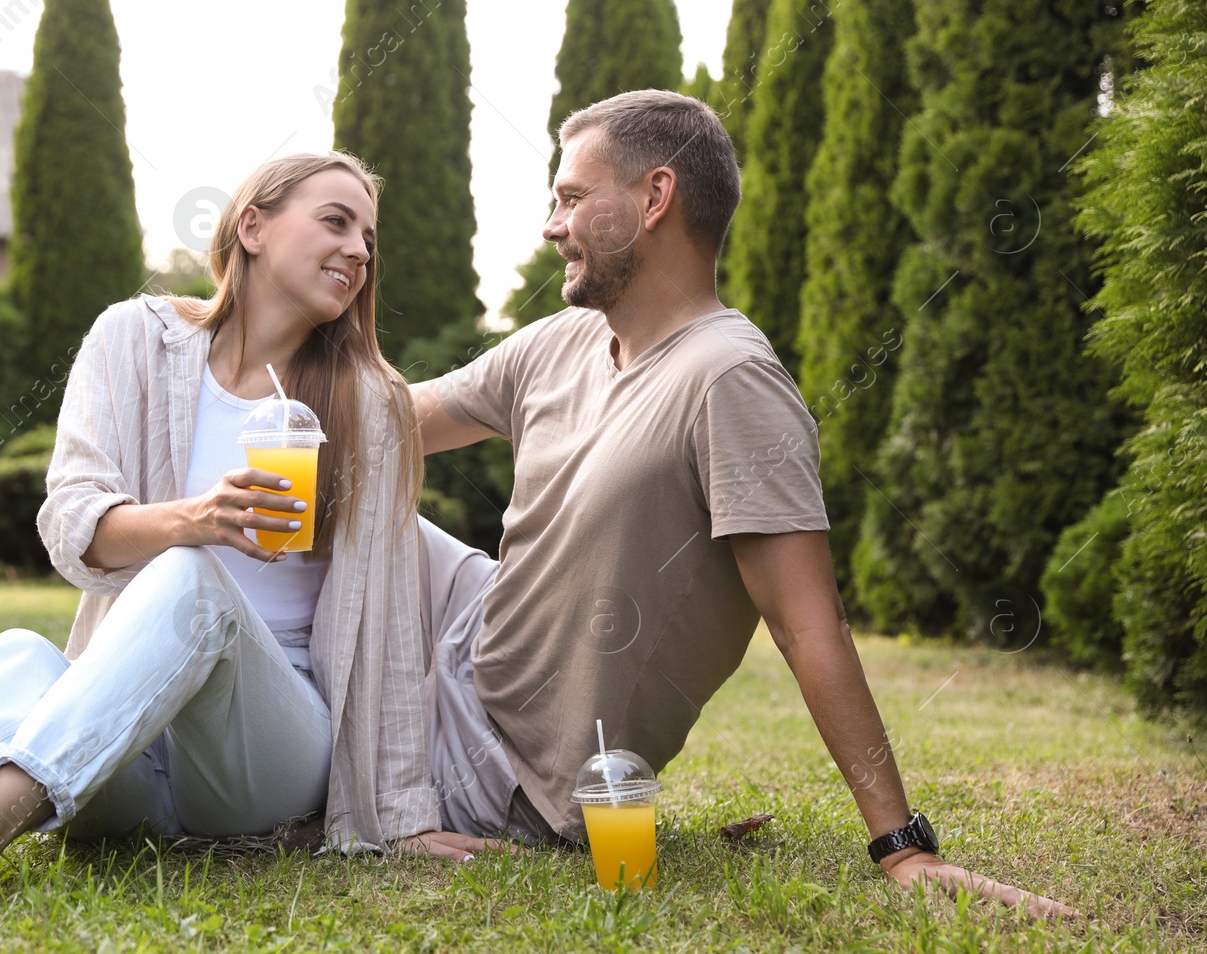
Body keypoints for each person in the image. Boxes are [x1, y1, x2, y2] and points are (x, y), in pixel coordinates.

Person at [411, 90, 1078, 917]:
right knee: (343, 494)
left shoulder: (730, 381)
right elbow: (397, 421)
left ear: (654, 199)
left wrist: (902, 848)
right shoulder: (570, 337)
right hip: (464, 637)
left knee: (257, 701)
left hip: (497, 764)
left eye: (573, 198)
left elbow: (809, 624)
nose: (554, 224)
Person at [0, 151, 474, 913]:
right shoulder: (134, 340)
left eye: (369, 237)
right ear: (253, 226)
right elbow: (73, 519)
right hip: (125, 741)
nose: (360, 250)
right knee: (21, 654)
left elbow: (394, 626)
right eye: (336, 221)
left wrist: (402, 817)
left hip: (265, 753)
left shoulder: (372, 402)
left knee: (189, 579)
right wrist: (195, 517)